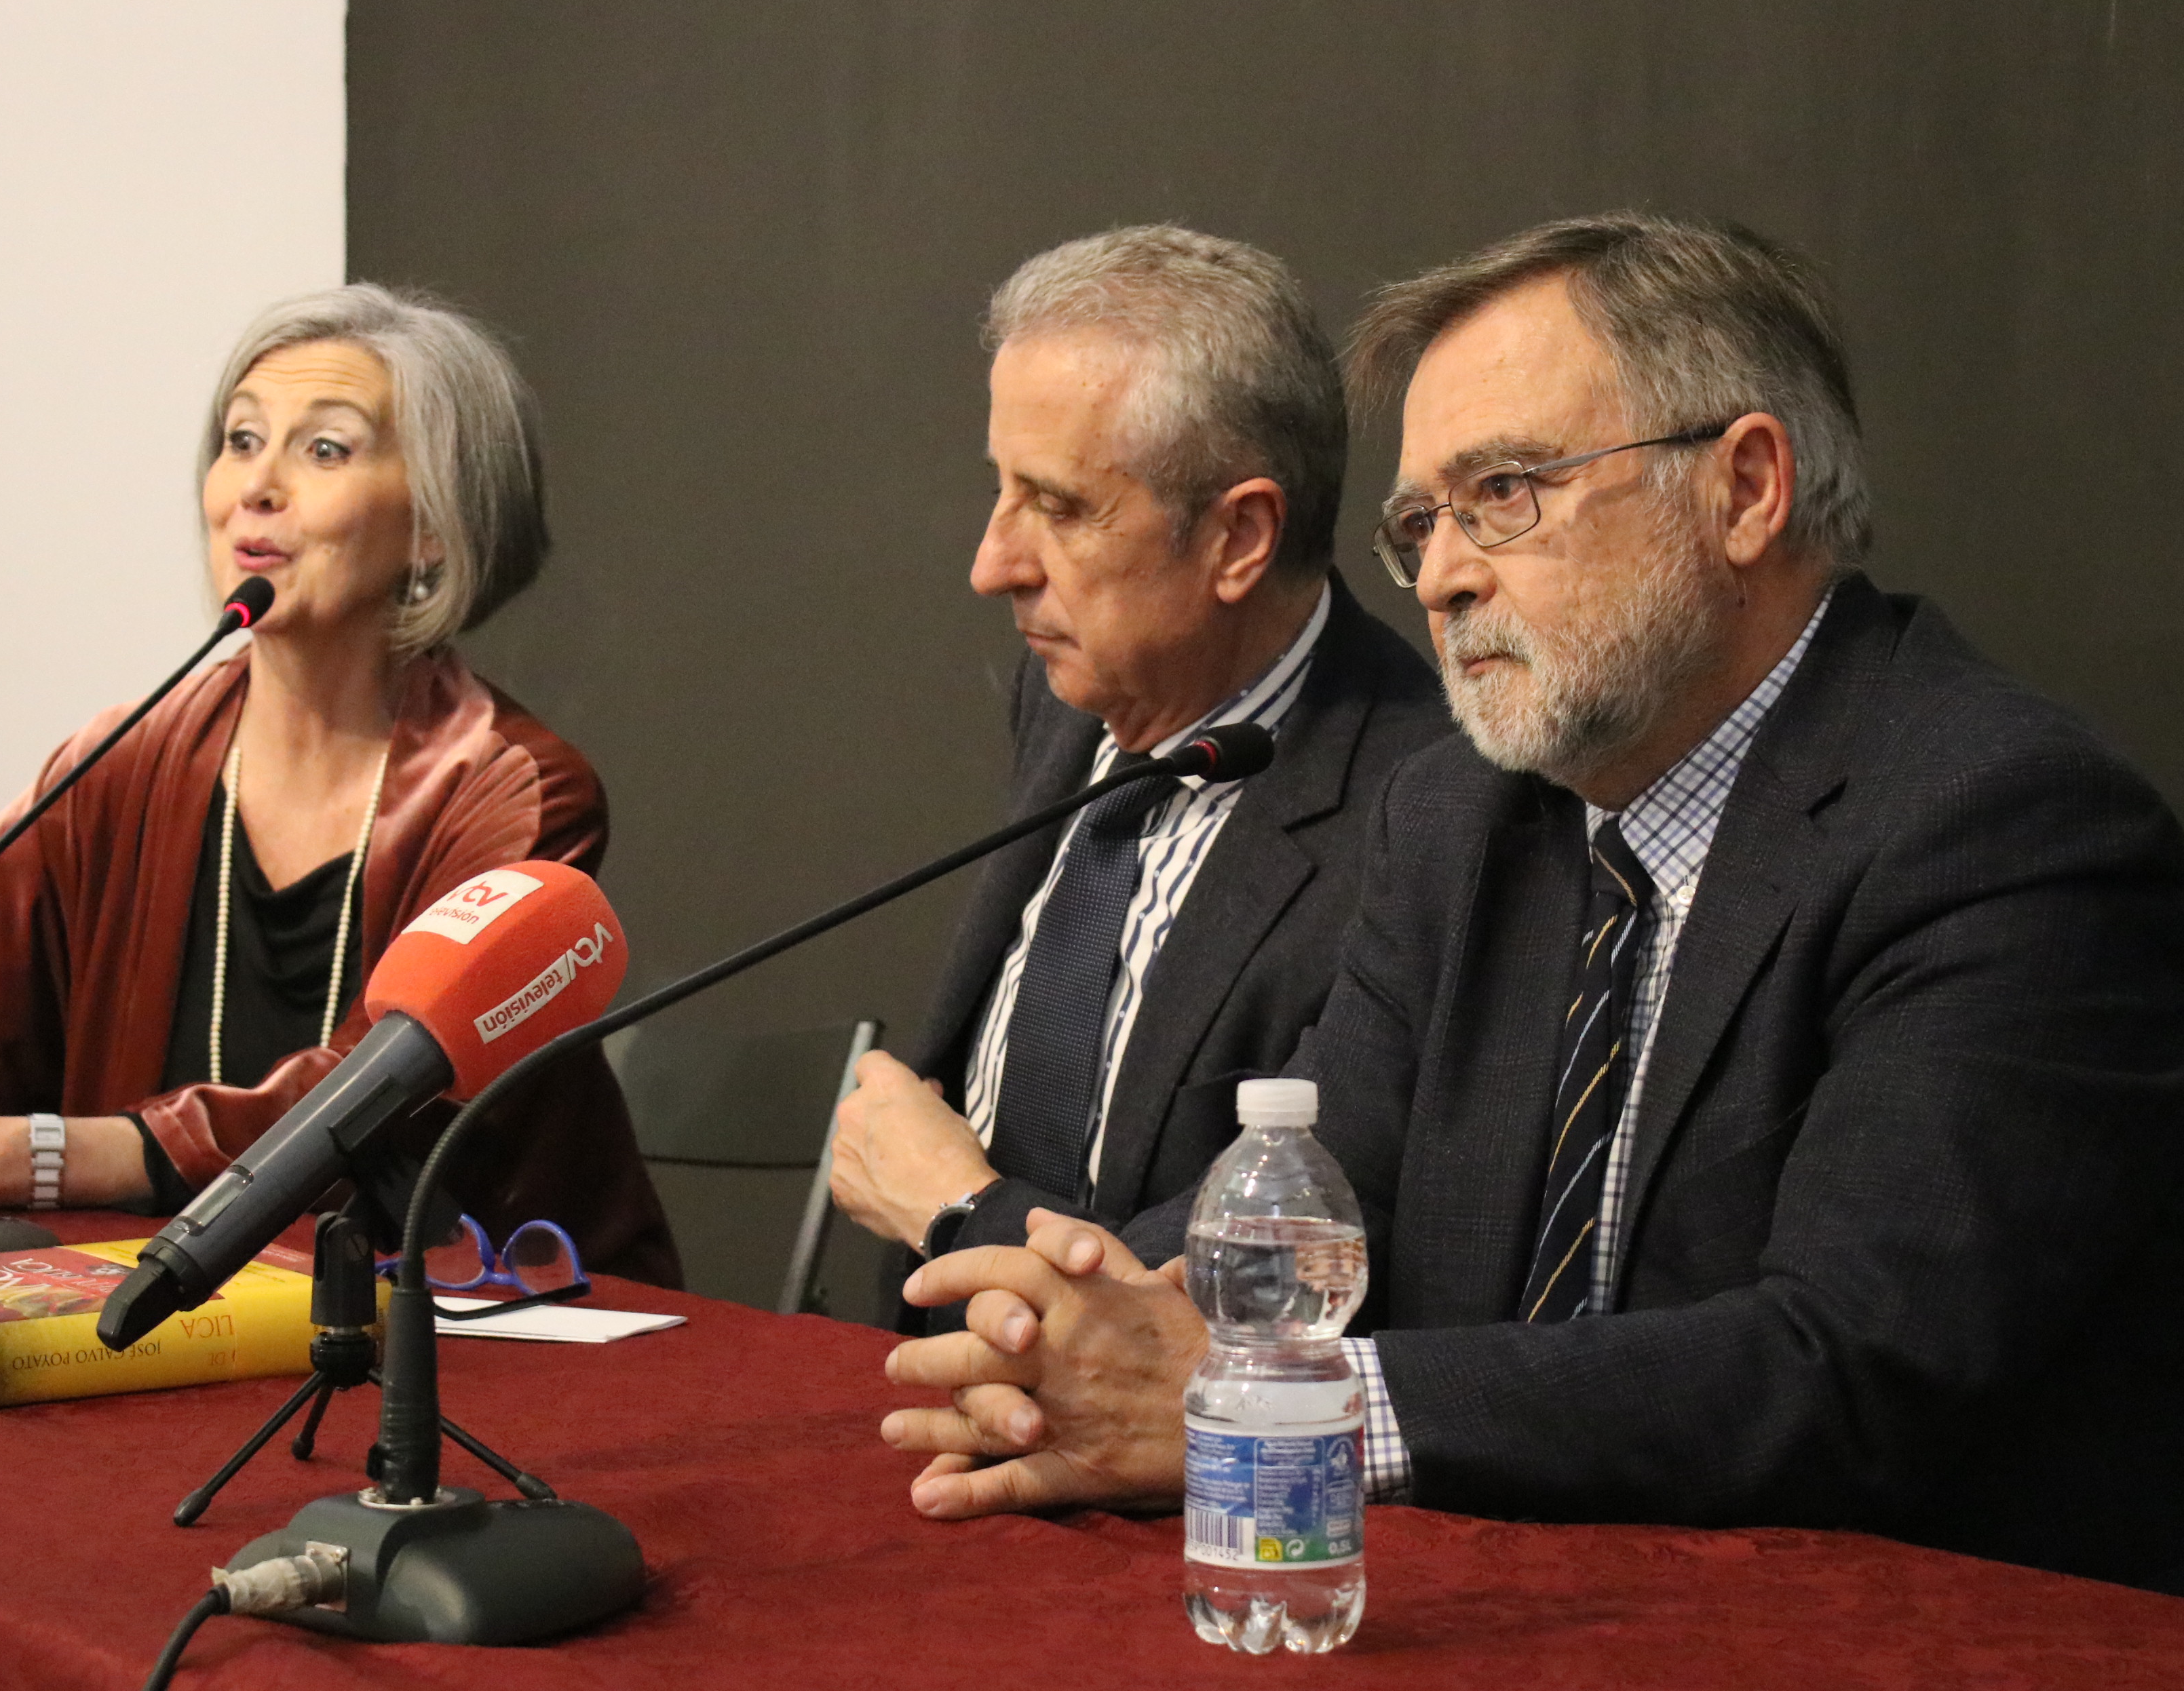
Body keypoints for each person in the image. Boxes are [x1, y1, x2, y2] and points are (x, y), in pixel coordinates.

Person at [880, 212, 2184, 1592]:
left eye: (1505, 490)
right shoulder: (1458, 816)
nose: (1442, 572)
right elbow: (1322, 1210)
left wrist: (1304, 1403)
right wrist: (1075, 1337)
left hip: (1901, 1651)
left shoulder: (1999, 822)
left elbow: (1851, 1365)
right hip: (1507, 1613)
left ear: (1744, 488)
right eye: (1419, 520)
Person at [0, 284, 682, 1285]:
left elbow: (376, 1102)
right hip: (156, 1310)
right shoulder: (126, 759)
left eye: (324, 448)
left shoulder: (510, 787)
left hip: (478, 1320)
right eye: (240, 439)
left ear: (438, 529)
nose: (255, 486)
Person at [825, 227, 1446, 1309]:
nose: (992, 565)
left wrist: (956, 1209)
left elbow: (1261, 1249)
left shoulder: (1434, 805)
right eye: (1001, 492)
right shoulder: (1071, 695)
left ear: (1239, 539)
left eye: (1059, 508)